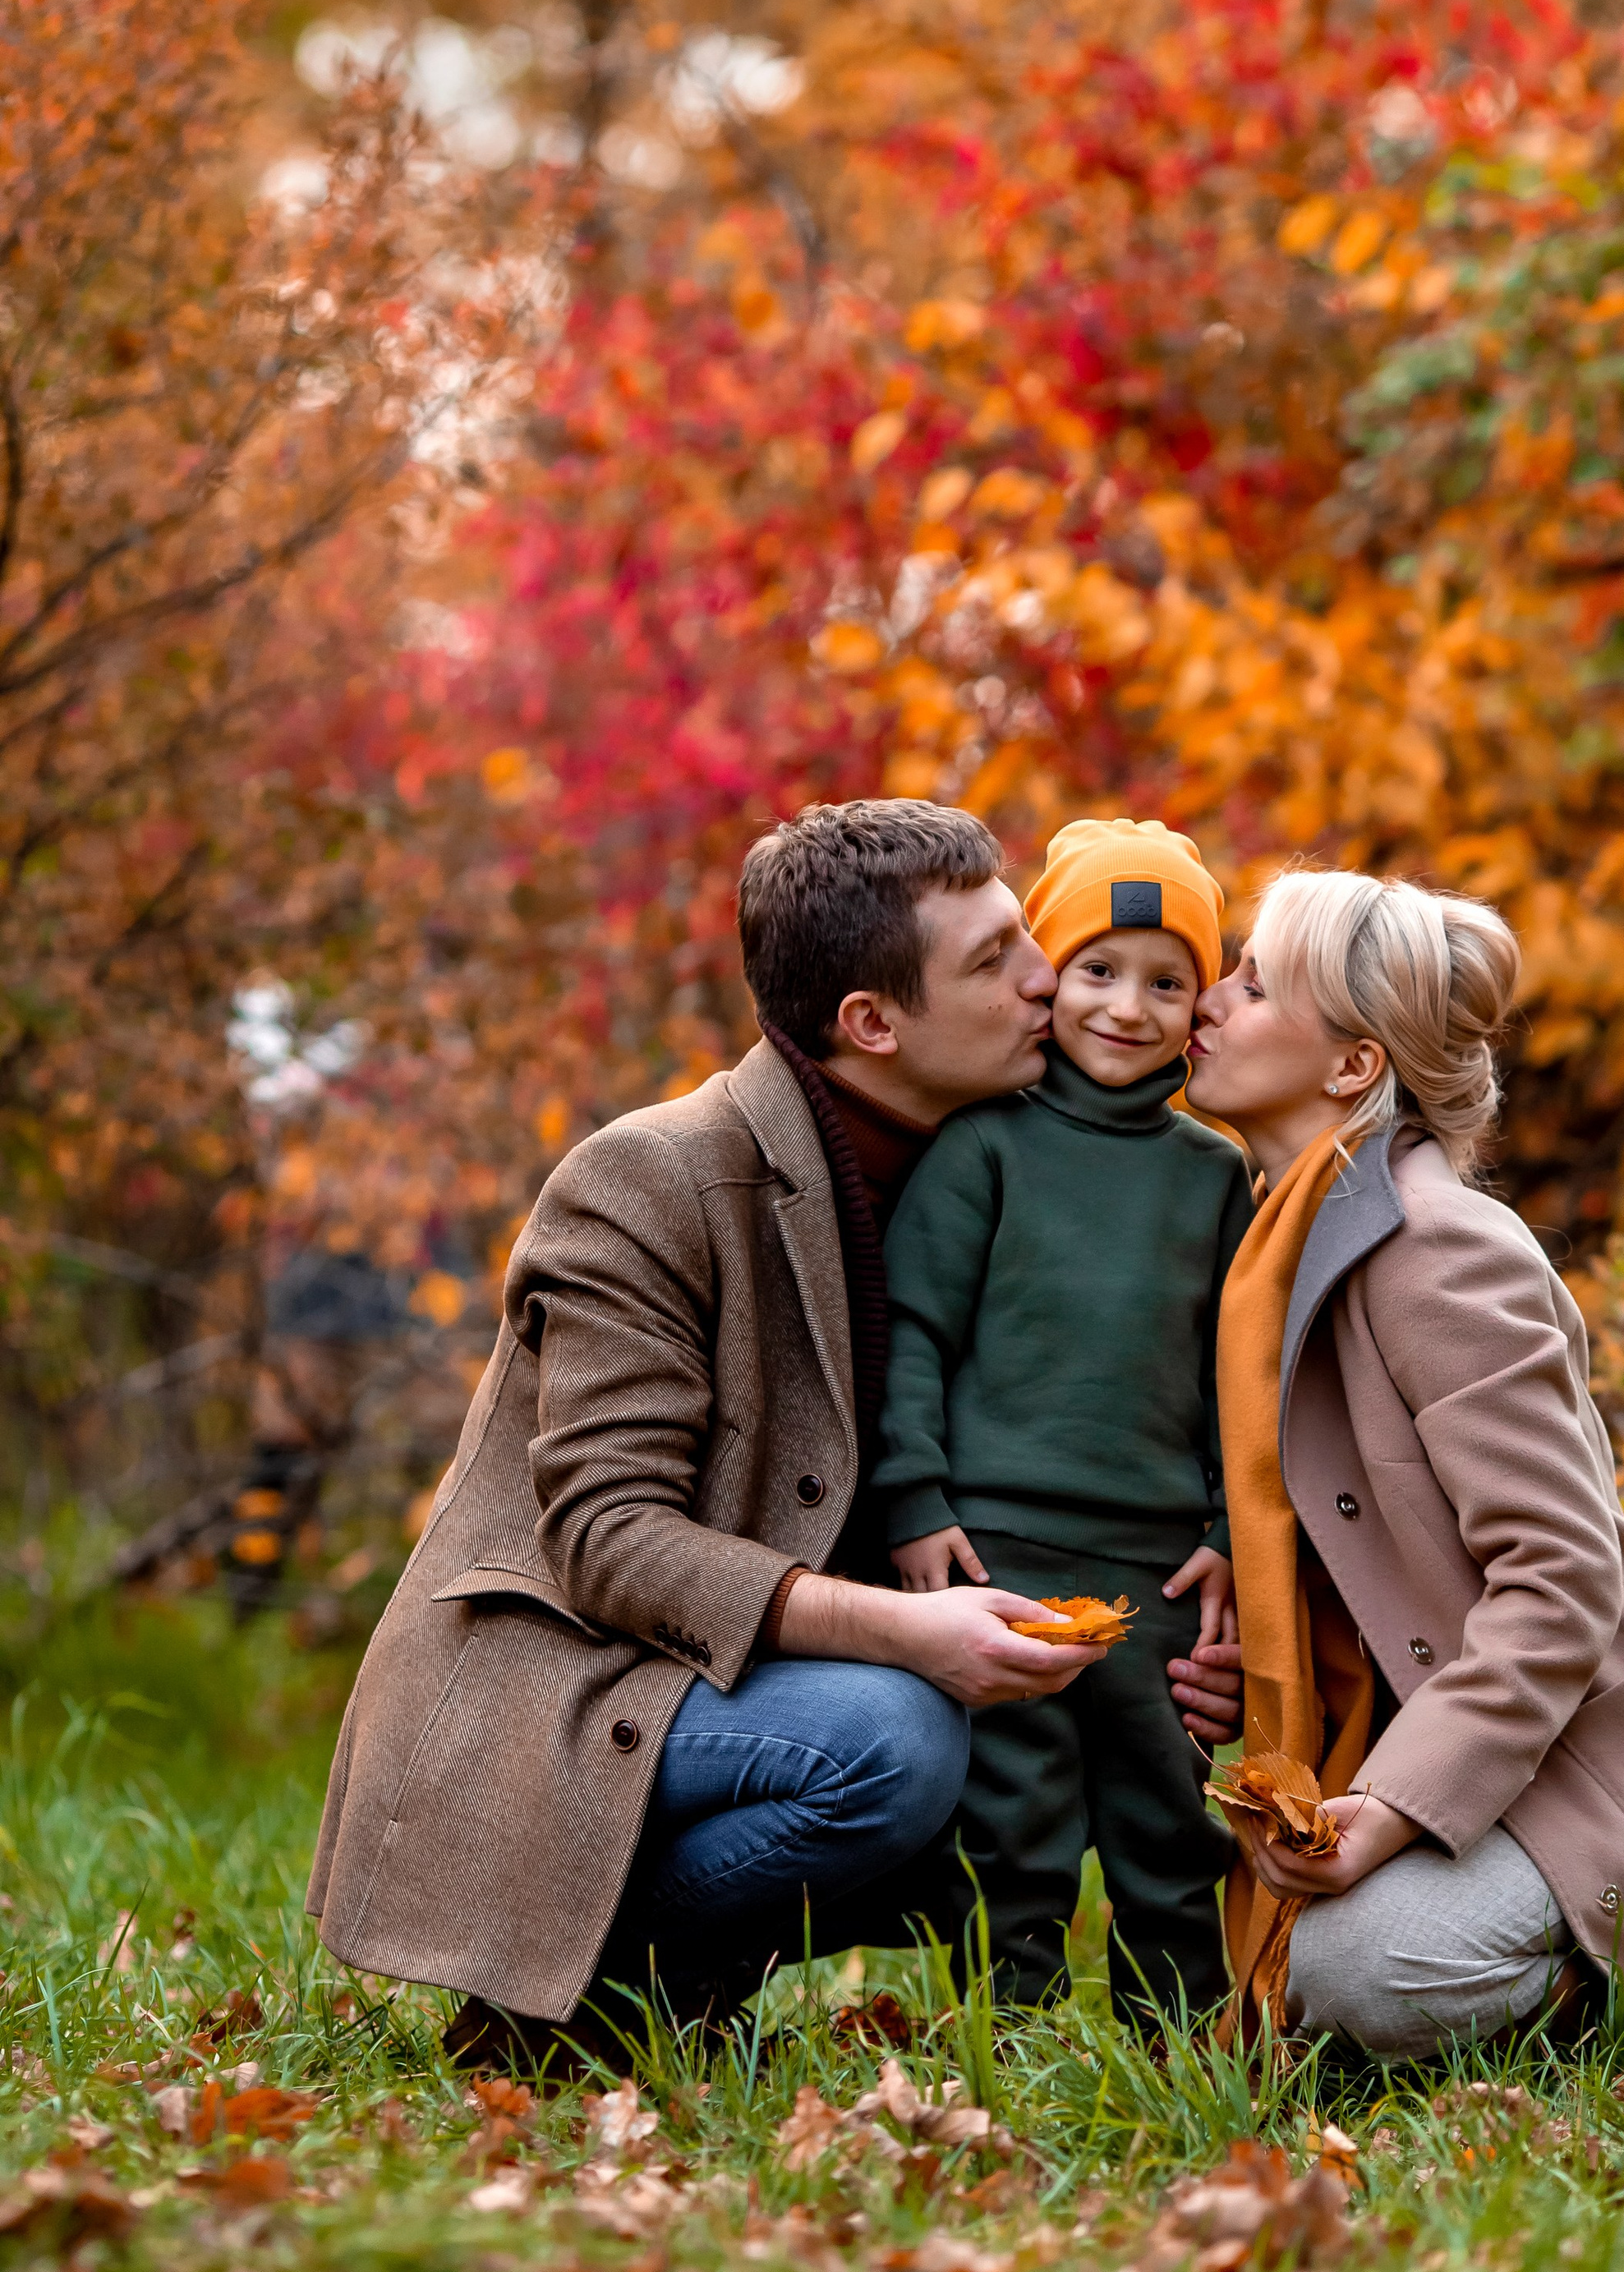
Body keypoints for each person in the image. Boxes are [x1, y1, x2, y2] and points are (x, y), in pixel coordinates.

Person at [305, 799, 1244, 2064]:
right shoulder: (648, 1181)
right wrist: (910, 1633)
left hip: (744, 1673)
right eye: (997, 959)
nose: (1048, 979)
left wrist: (1182, 1633)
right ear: (874, 1024)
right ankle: (595, 1994)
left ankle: (668, 1994)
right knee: (904, 1741)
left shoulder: (1006, 1165)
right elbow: (609, 1540)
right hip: (577, 1689)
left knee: (1040, 1761)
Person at [1183, 867, 1624, 2072]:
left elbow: (1558, 1578)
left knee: (1357, 1968)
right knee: (1305, 1972)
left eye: (1252, 987)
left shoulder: (1436, 1251)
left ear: (1352, 1066)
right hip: (1490, 1744)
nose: (1207, 1000)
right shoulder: (1280, 1240)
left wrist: (1397, 1811)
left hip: (1604, 1769)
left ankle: (1609, 2002)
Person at [876, 818, 1256, 2023]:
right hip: (1001, 1550)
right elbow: (912, 1333)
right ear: (1050, 971)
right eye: (1097, 969)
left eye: (1166, 983)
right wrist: (914, 1499)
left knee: (1166, 1813)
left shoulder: (1214, 1176)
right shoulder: (984, 1144)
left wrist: (1230, 1534)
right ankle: (1012, 2036)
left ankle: (1179, 2039)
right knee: (1013, 1817)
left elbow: (1239, 1377)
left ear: (1198, 1008)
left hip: (1158, 1564)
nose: (1127, 1008)